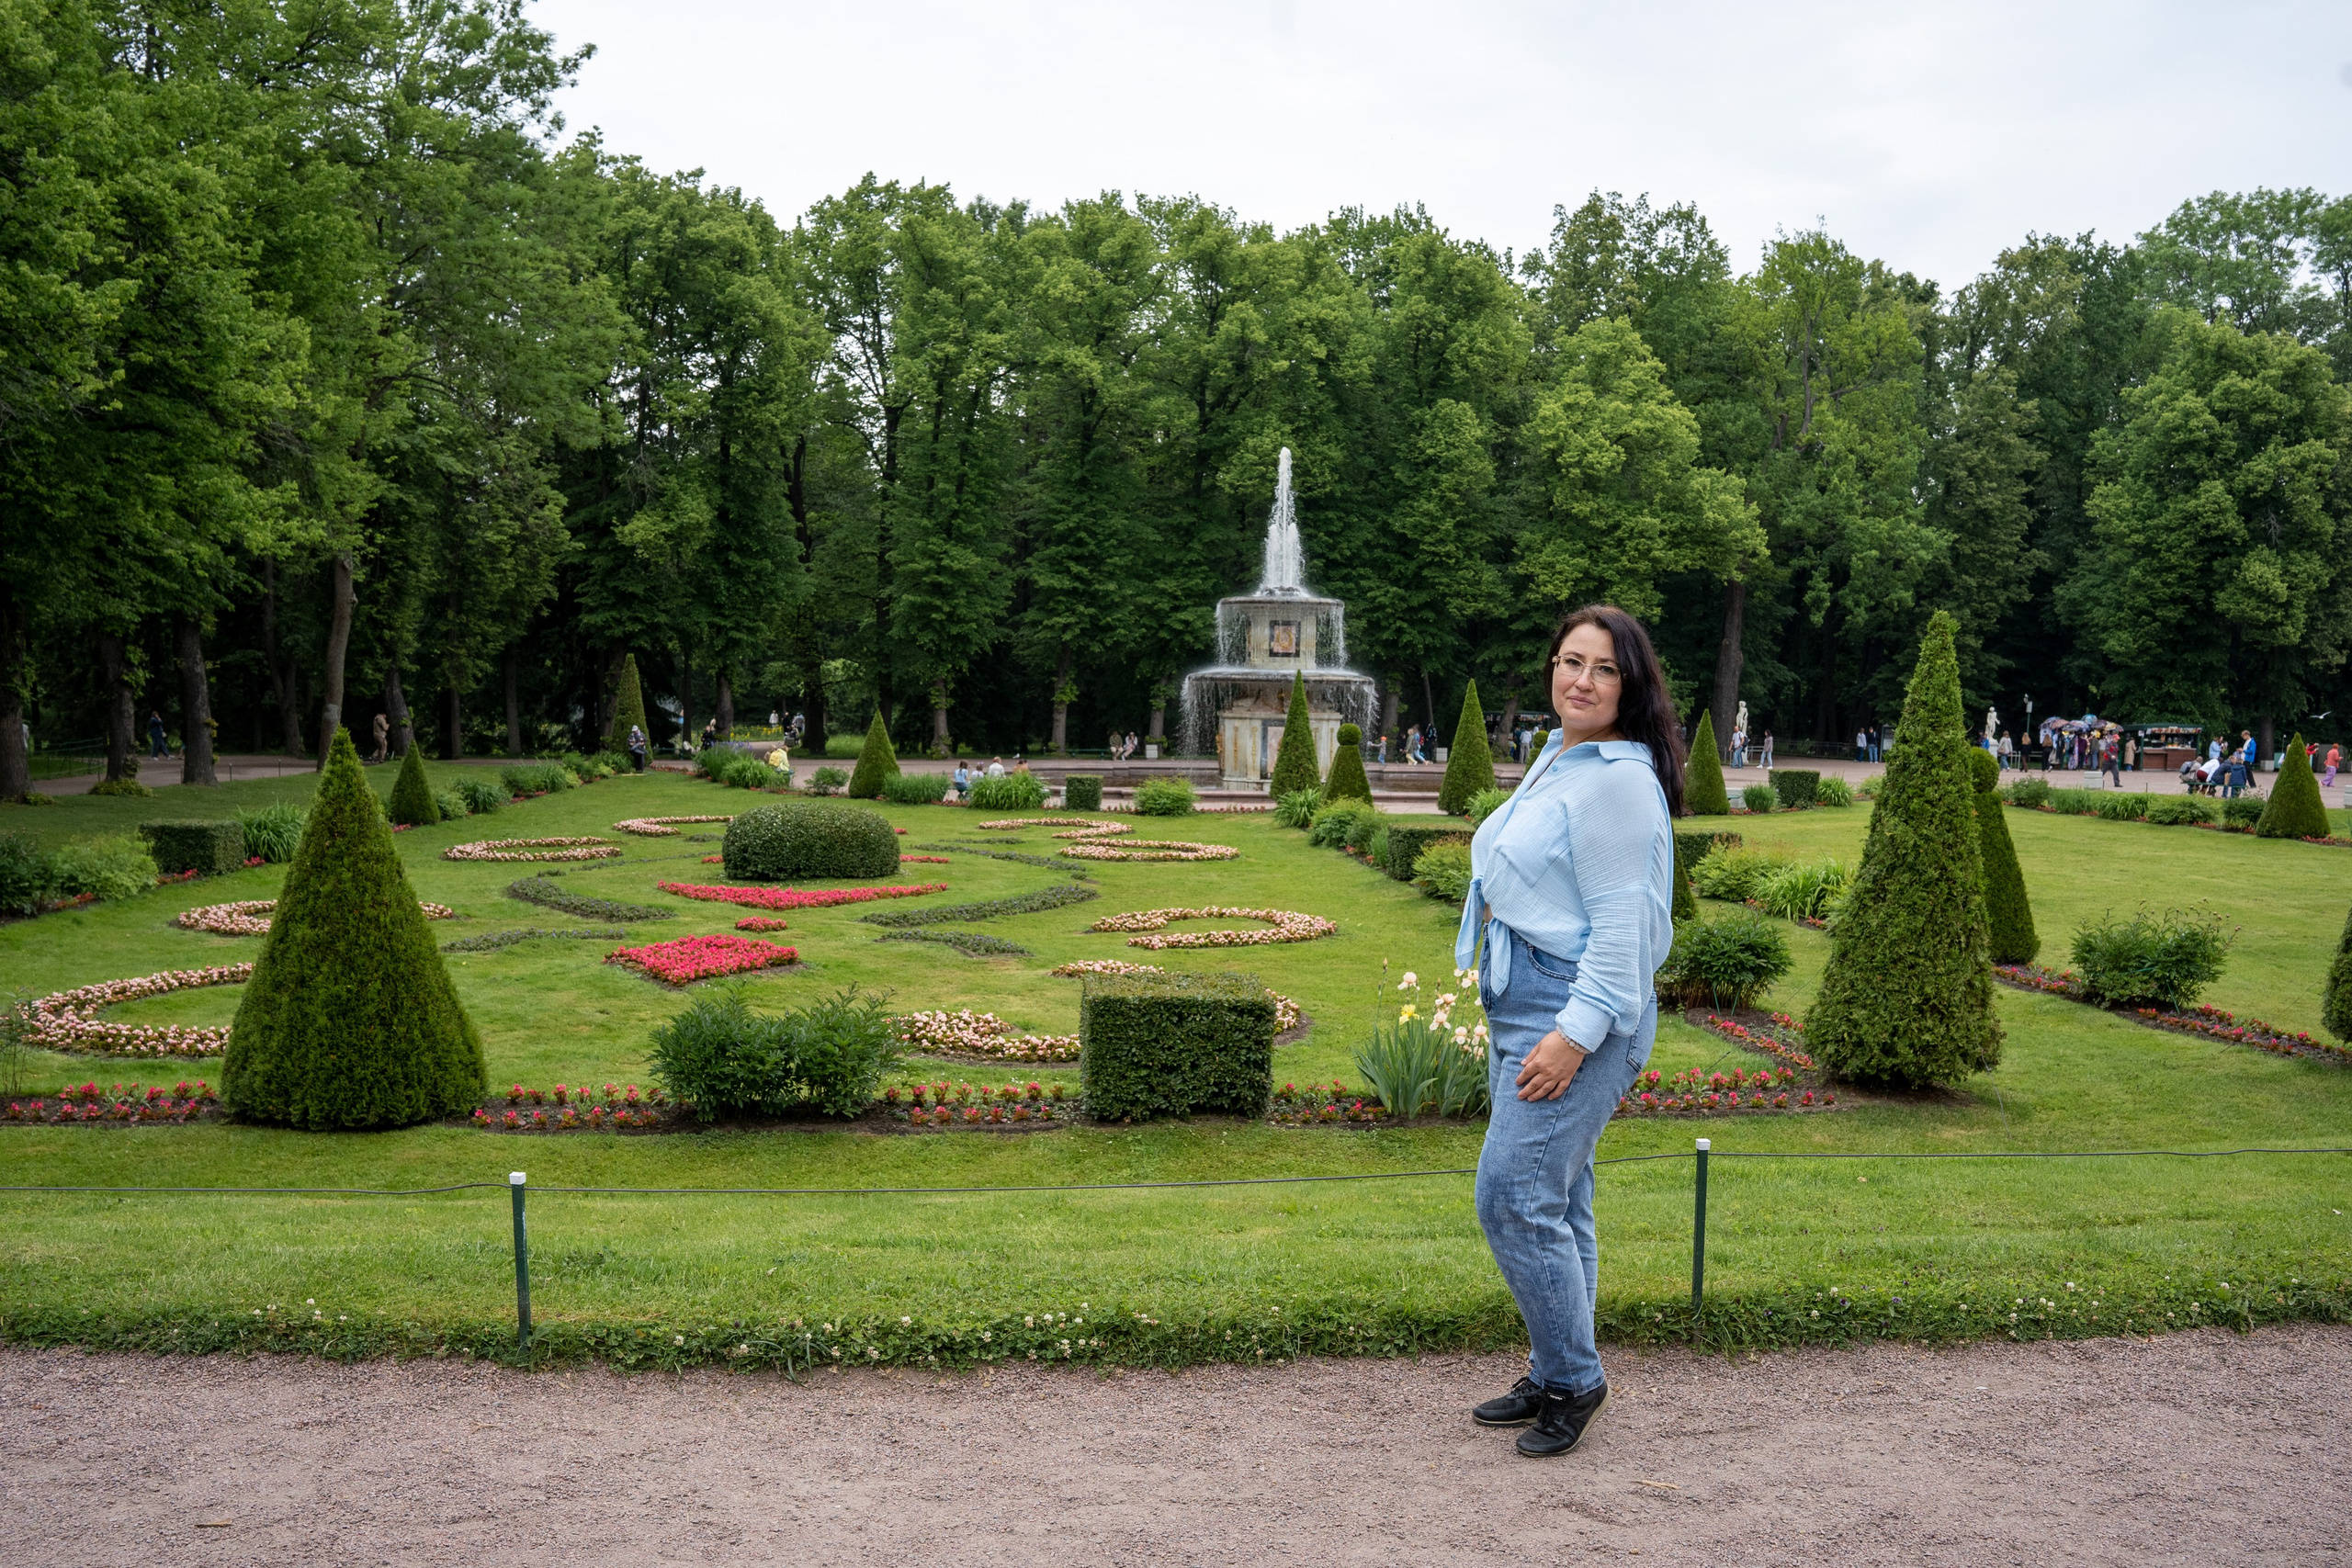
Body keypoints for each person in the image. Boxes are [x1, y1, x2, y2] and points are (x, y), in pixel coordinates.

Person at [1457, 604, 1680, 1460]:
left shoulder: (1618, 780)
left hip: (1578, 1009)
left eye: (1603, 667)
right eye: (1569, 661)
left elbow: (1625, 932)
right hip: (1527, 997)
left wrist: (1573, 1036)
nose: (1580, 679)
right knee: (1559, 1200)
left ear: (1631, 684)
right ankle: (1555, 1363)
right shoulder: (1562, 756)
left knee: (1512, 1196)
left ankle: (1576, 1378)